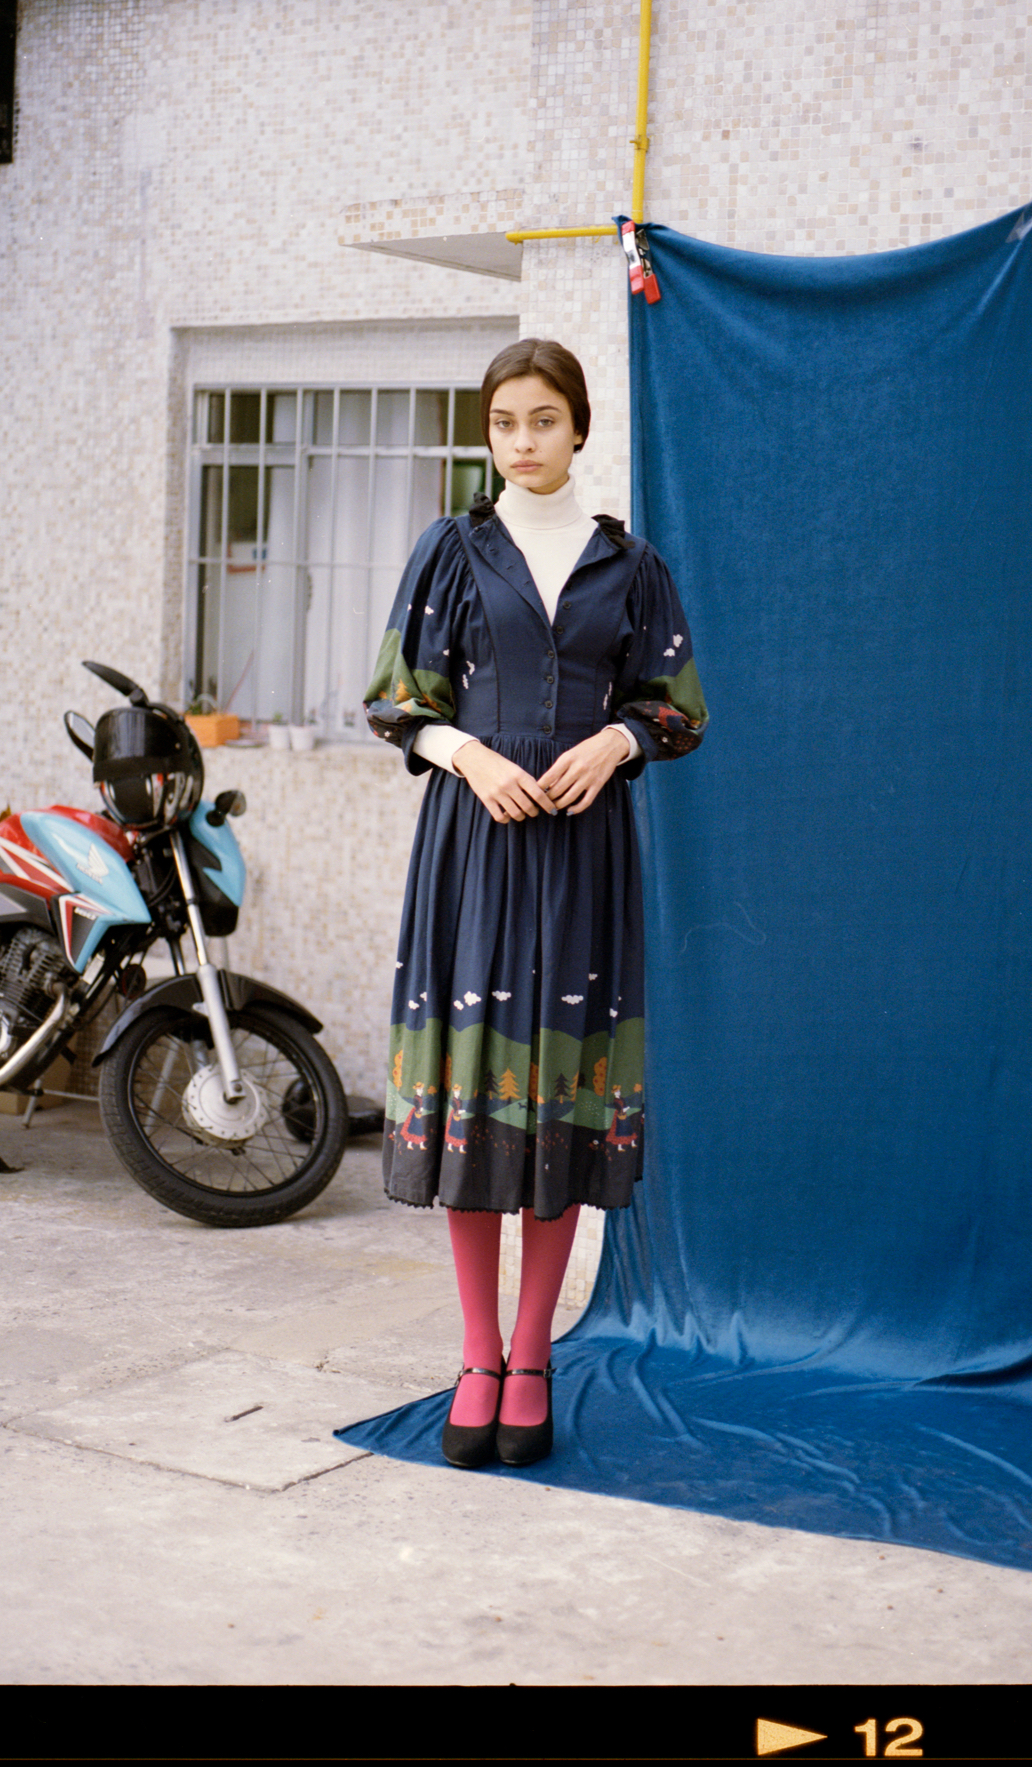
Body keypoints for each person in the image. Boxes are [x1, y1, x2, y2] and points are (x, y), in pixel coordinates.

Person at [364, 338, 708, 1469]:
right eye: (505, 420)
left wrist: (615, 742)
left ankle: (532, 1356)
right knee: (477, 1094)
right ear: (489, 431)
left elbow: (677, 708)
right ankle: (476, 1355)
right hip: (475, 842)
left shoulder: (633, 566)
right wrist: (467, 754)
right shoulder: (450, 550)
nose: (523, 439)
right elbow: (394, 699)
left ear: (579, 429)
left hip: (583, 849)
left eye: (544, 419)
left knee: (554, 1095)